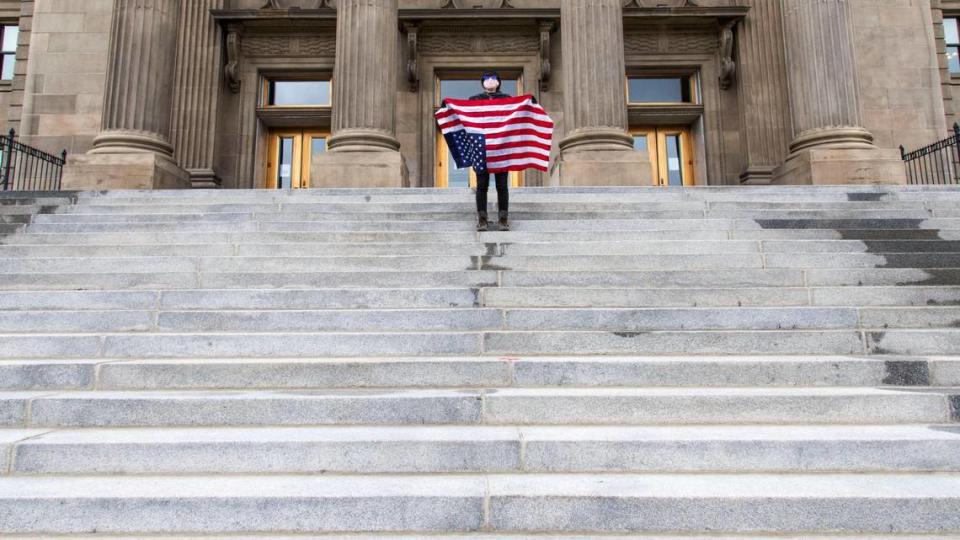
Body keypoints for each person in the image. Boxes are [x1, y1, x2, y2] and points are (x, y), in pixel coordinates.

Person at [469, 70, 513, 232]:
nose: (490, 81)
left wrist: (531, 103)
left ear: (498, 82)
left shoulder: (507, 99)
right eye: (487, 79)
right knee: (482, 186)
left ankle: (503, 219)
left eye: (493, 79)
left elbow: (519, 112)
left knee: (502, 186)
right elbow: (464, 115)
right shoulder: (474, 100)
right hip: (481, 148)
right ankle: (482, 219)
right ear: (482, 82)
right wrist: (448, 106)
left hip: (501, 147)